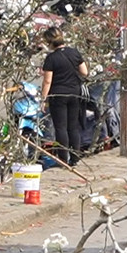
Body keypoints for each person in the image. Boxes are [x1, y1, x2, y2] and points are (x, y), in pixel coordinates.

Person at [40, 27, 88, 166]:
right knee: (73, 127)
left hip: (58, 95)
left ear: (49, 42)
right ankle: (75, 158)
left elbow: (47, 81)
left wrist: (43, 99)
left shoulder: (51, 58)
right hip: (74, 93)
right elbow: (84, 72)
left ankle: (63, 158)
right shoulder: (74, 53)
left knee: (60, 127)